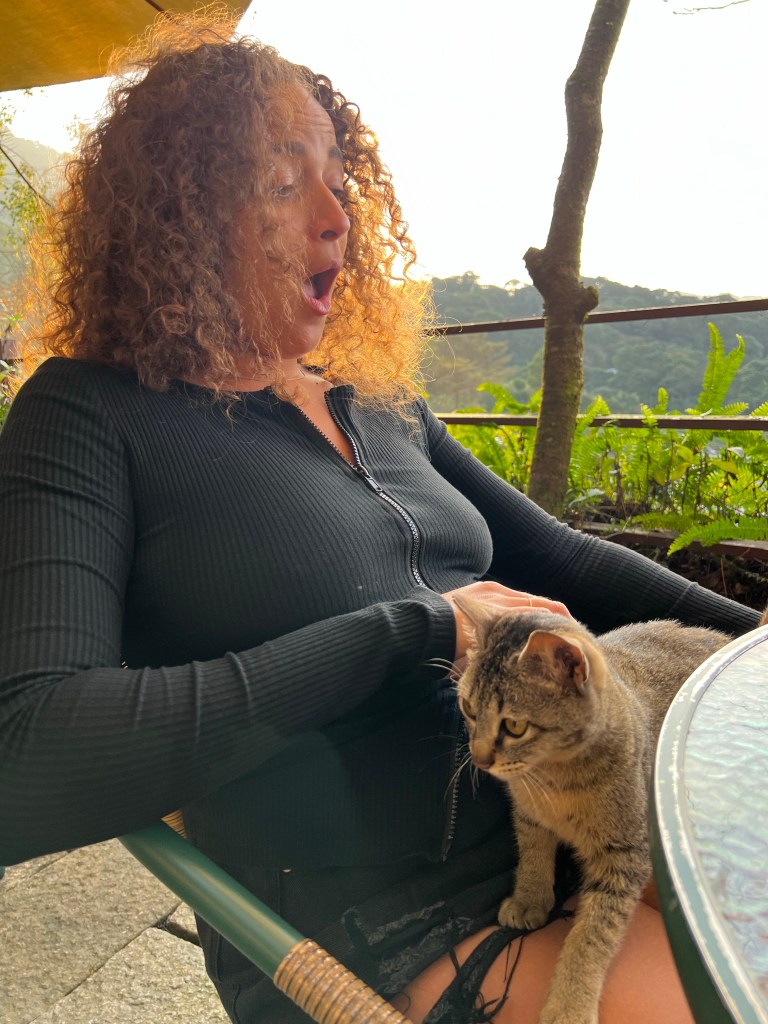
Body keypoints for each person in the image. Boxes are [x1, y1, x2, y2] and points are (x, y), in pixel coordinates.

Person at [0, 13, 759, 1024]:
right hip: (387, 912)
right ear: (178, 215)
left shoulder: (380, 405)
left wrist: (757, 639)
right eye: (284, 183)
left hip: (570, 811)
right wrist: (416, 628)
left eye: (339, 181)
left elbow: (558, 554)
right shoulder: (88, 414)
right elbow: (27, 755)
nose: (336, 218)